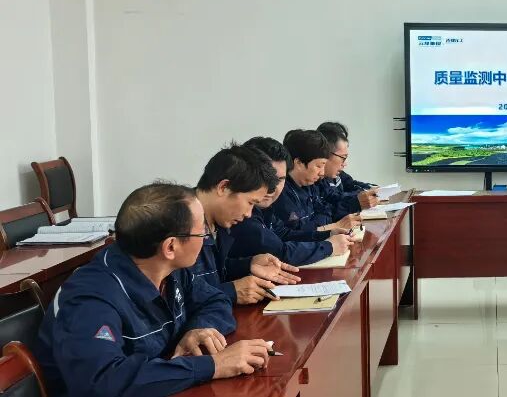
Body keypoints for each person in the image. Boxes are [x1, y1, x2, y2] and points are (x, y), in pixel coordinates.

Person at [33, 182, 273, 396]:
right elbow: (102, 382)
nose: (206, 239)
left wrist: (198, 329)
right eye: (202, 232)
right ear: (171, 247)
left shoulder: (171, 270)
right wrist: (213, 365)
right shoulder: (91, 299)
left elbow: (215, 300)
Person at [192, 144, 302, 305]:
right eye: (250, 202)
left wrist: (248, 264)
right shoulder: (179, 226)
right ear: (224, 187)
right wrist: (231, 292)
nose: (249, 214)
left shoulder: (218, 221)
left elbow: (210, 275)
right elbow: (173, 301)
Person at [230, 137, 355, 266]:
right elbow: (281, 252)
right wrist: (329, 246)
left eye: (280, 179)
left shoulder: (265, 207)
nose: (273, 188)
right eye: (266, 178)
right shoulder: (243, 214)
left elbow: (284, 234)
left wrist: (327, 234)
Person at [270, 129, 364, 236]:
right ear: (299, 162)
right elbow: (295, 232)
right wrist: (328, 227)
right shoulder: (282, 193)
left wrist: (318, 226)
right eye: (319, 166)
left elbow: (327, 212)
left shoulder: (310, 185)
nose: (322, 173)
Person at [315, 122, 379, 219]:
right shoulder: (315, 180)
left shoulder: (337, 174)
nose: (345, 164)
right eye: (343, 158)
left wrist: (370, 189)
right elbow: (332, 205)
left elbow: (351, 184)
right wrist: (357, 200)